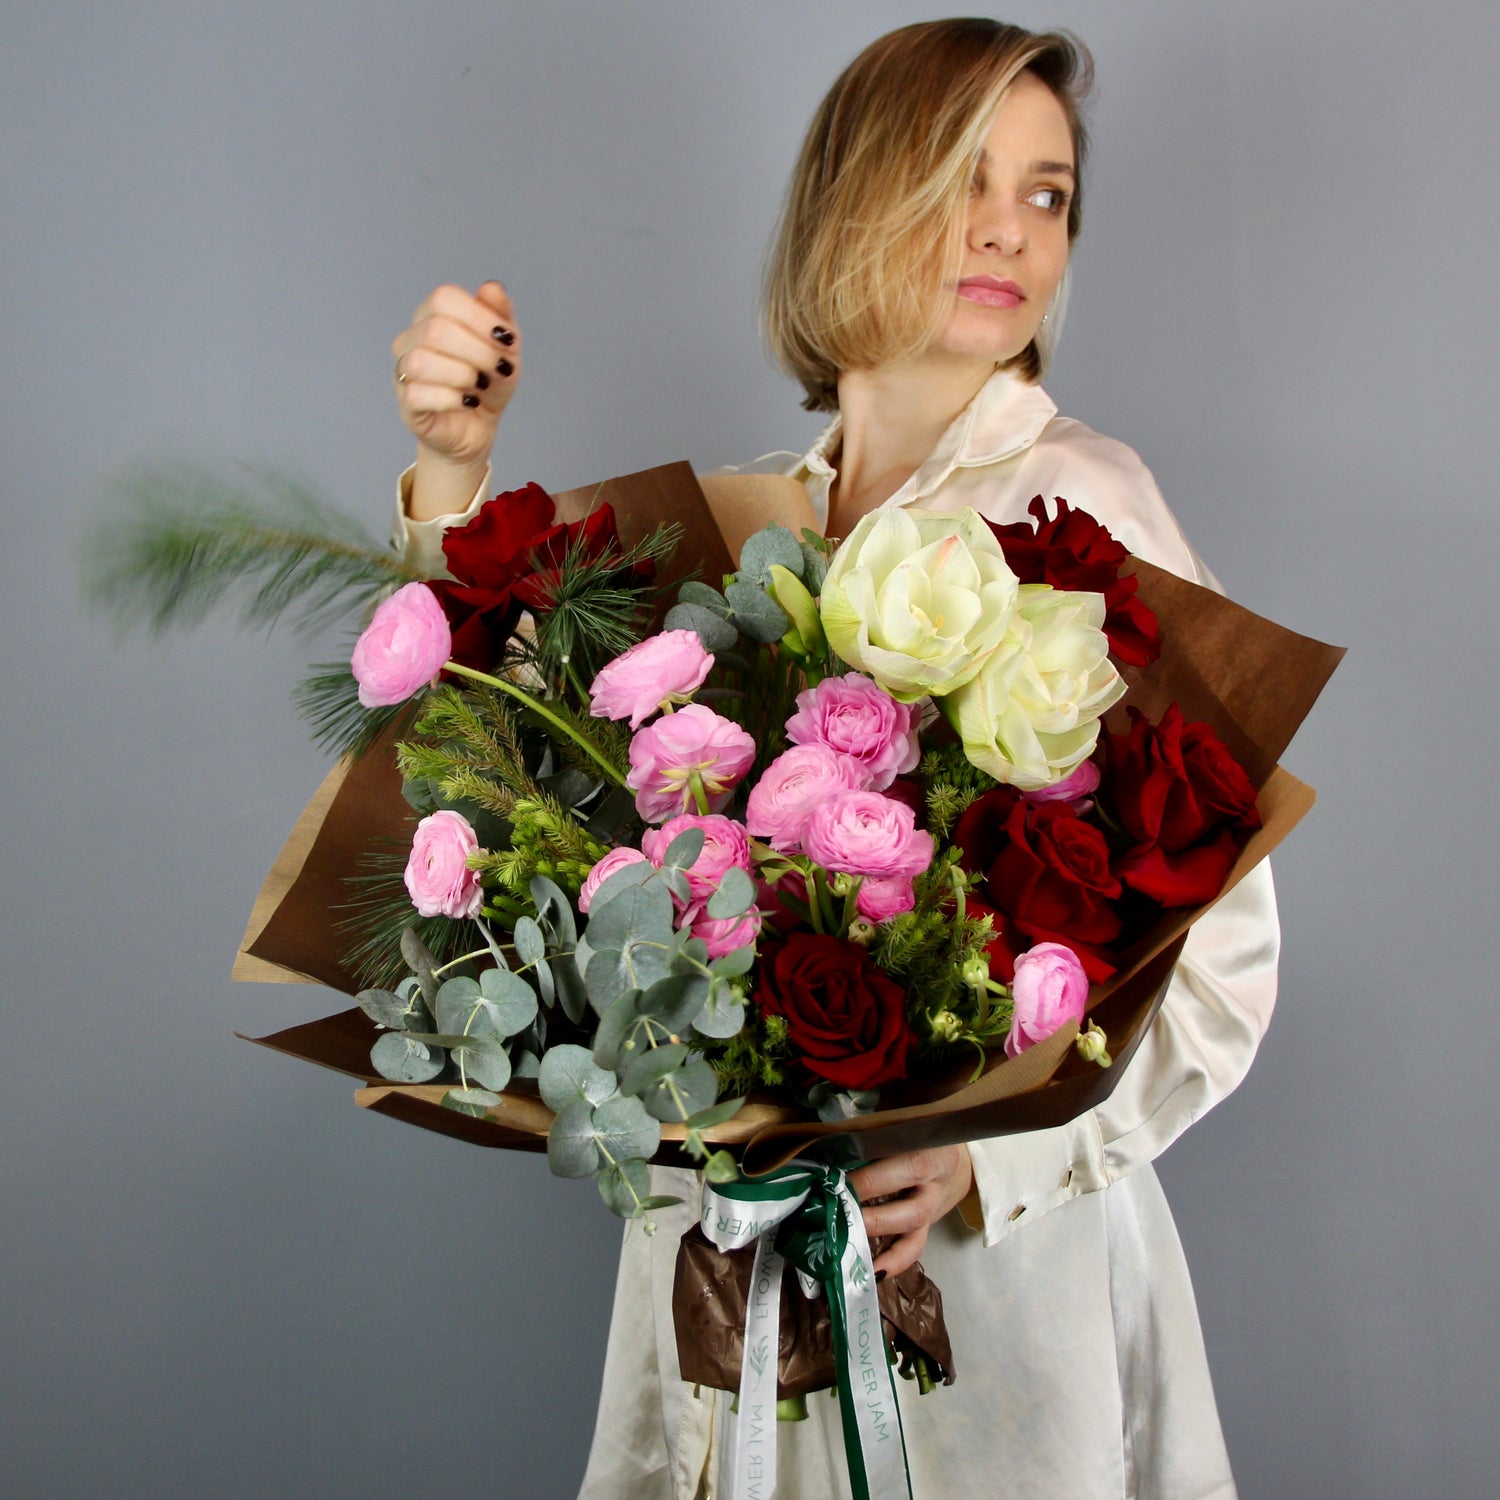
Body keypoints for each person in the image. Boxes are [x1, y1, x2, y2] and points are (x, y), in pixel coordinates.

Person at [388, 19, 1277, 1499]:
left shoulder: (1081, 508)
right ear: (854, 199)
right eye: (962, 178)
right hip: (732, 1255)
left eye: (1048, 194)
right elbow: (498, 773)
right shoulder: (748, 531)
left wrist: (991, 1166)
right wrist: (452, 476)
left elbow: (1225, 965)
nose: (1009, 228)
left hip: (989, 1298)